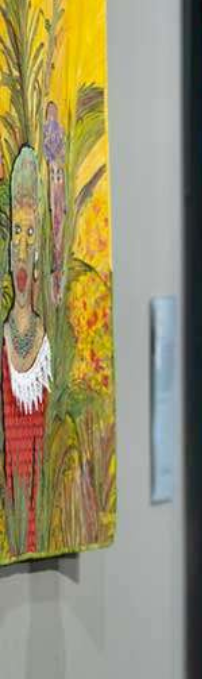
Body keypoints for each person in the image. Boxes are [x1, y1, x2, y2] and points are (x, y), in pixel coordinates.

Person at [2, 146, 51, 555]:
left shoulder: (51, 349)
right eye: (16, 232)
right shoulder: (4, 343)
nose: (21, 244)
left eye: (31, 233)